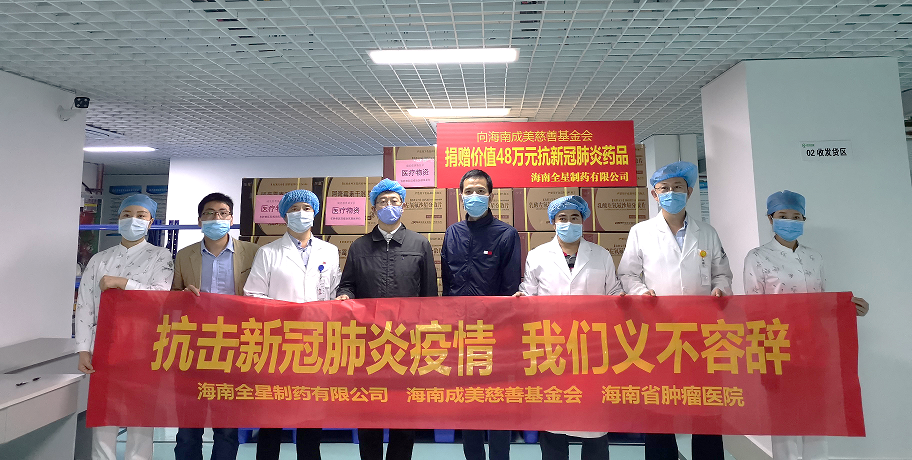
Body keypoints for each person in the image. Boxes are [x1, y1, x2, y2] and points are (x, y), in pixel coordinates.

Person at [617, 161, 733, 460]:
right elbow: (627, 274)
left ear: (689, 192)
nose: (671, 193)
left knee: (706, 401)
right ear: (654, 195)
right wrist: (641, 293)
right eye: (664, 188)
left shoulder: (707, 233)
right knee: (660, 402)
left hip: (702, 331)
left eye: (677, 187)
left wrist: (720, 289)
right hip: (659, 329)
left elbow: (722, 273)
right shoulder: (641, 232)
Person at [742, 190, 869, 460]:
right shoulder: (757, 257)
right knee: (784, 418)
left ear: (803, 219)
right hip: (778, 347)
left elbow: (821, 301)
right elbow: (753, 310)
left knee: (816, 416)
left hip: (814, 346)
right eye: (783, 215)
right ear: (770, 219)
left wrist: (849, 307)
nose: (790, 221)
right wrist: (762, 356)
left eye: (796, 216)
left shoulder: (815, 257)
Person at [514, 195, 623, 460]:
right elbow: (529, 292)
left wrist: (621, 299)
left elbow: (614, 291)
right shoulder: (538, 256)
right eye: (562, 218)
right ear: (553, 222)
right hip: (552, 347)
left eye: (575, 217)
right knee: (554, 418)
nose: (569, 223)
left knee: (594, 421)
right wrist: (521, 298)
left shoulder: (600, 255)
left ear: (583, 220)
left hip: (591, 347)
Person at [335, 178, 438, 460]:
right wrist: (344, 295)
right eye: (382, 202)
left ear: (403, 206)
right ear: (373, 209)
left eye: (394, 201)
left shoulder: (420, 243)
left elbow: (429, 296)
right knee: (368, 411)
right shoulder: (359, 246)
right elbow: (348, 284)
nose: (388, 206)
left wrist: (427, 338)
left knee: (404, 413)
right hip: (368, 343)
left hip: (407, 344)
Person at [243, 189, 342, 460]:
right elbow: (253, 295)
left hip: (316, 344)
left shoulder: (329, 251)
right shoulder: (268, 252)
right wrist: (287, 313)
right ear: (284, 215)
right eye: (294, 208)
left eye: (307, 208)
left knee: (310, 418)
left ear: (315, 213)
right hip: (278, 344)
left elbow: (334, 292)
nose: (301, 213)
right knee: (272, 417)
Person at [75, 193, 174, 460]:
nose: (133, 220)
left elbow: (161, 296)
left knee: (141, 413)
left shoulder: (160, 256)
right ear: (118, 218)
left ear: (151, 222)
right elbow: (85, 305)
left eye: (141, 215)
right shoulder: (99, 259)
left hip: (144, 345)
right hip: (104, 345)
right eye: (127, 214)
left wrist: (123, 283)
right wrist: (83, 349)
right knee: (104, 412)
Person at [440, 169, 521, 460]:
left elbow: (511, 286)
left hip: (495, 334)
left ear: (490, 196)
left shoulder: (506, 234)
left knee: (497, 403)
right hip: (461, 334)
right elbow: (447, 281)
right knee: (469, 403)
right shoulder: (453, 233)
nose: (474, 196)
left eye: (480, 191)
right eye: (469, 191)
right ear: (460, 195)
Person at [172, 192, 259, 460]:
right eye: (209, 213)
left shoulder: (252, 252)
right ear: (200, 220)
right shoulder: (184, 255)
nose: (216, 217)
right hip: (194, 346)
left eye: (223, 213)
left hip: (235, 346)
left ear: (231, 219)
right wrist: (182, 296)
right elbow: (171, 296)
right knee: (188, 424)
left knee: (227, 425)